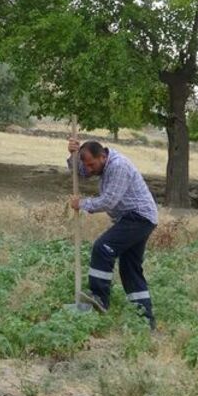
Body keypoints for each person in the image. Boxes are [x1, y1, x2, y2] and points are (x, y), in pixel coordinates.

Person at [67, 139, 159, 330]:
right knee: (129, 269)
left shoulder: (119, 166)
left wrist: (83, 204)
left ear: (103, 156)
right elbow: (81, 173)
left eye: (92, 164)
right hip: (134, 219)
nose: (89, 169)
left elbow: (109, 201)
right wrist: (73, 156)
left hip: (138, 217)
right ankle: (145, 320)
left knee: (103, 248)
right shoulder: (101, 164)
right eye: (87, 164)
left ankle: (99, 297)